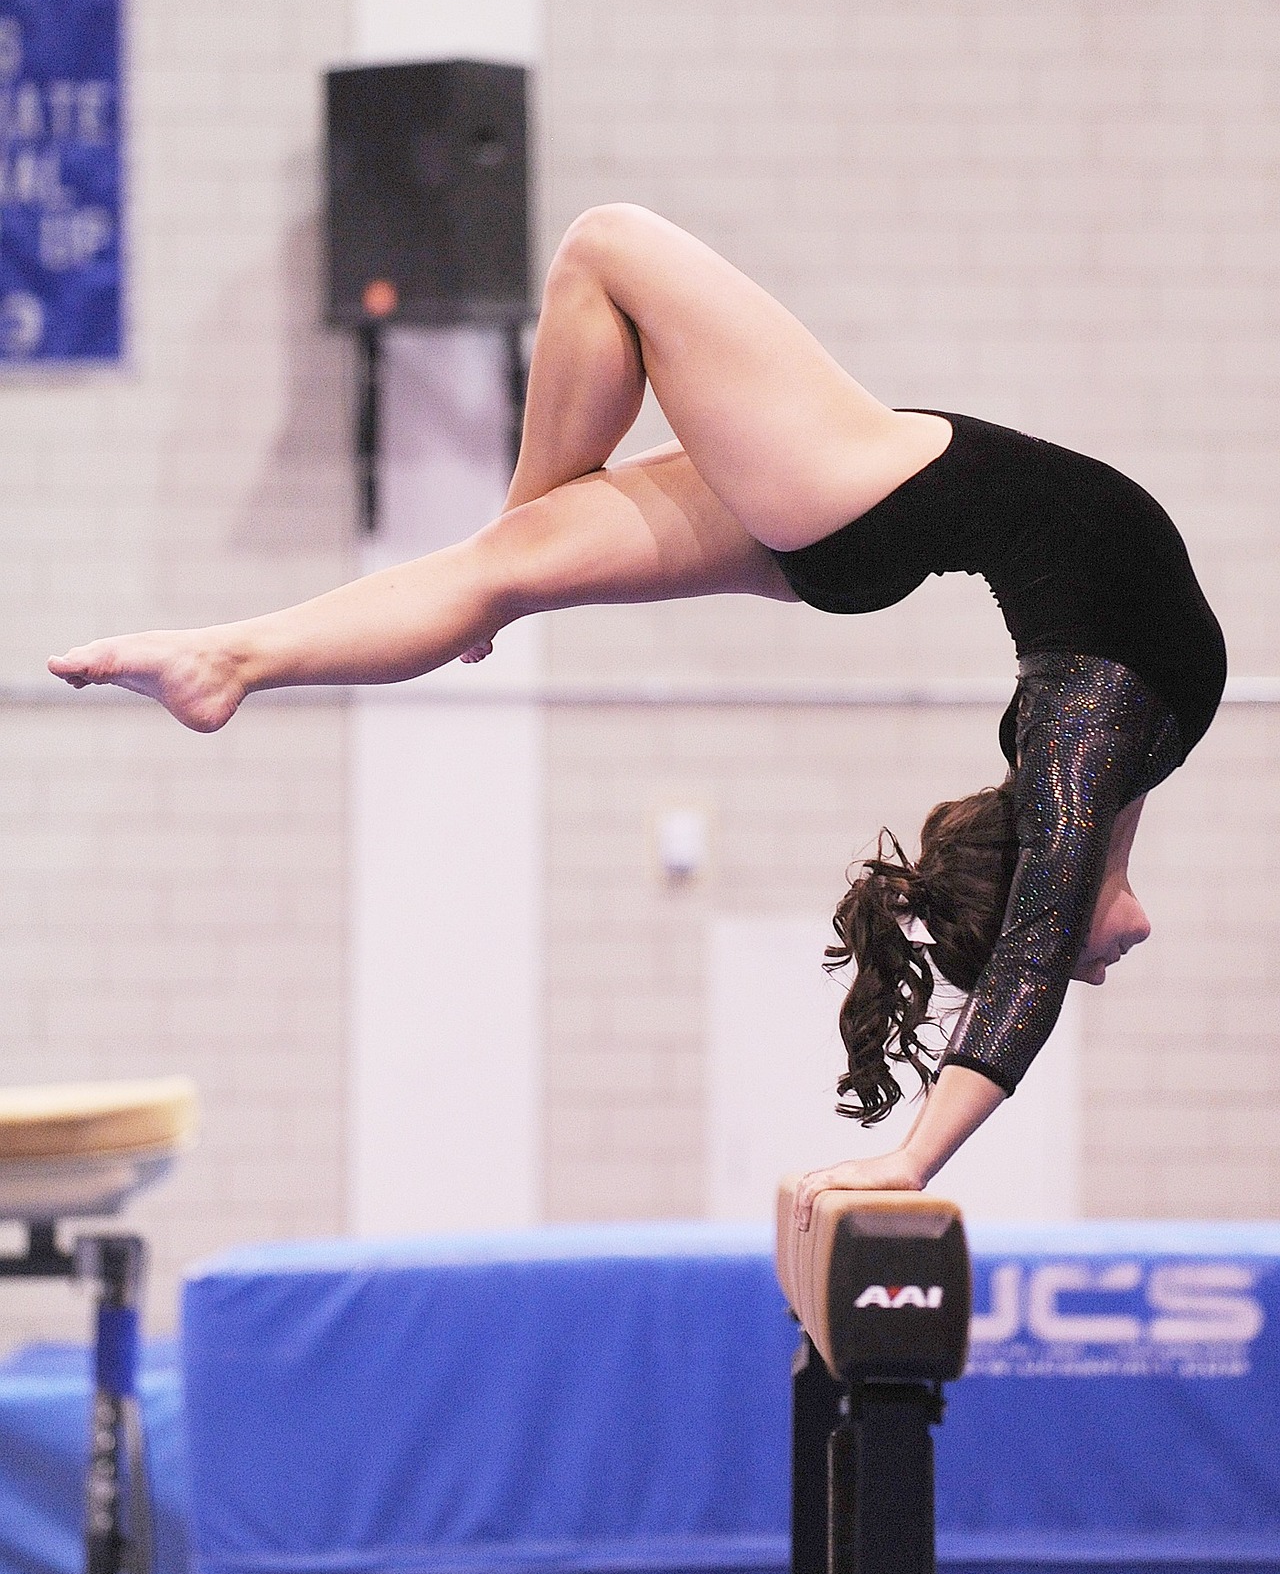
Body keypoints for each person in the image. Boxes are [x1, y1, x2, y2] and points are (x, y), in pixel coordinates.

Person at [48, 205, 1226, 1227]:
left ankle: (441, 572)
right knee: (503, 564)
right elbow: (1036, 930)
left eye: (1074, 959)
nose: (1102, 962)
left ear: (1043, 888)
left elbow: (1024, 957)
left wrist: (910, 1160)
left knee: (603, 247)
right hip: (860, 513)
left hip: (859, 490)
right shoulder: (1106, 757)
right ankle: (230, 659)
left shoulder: (1086, 745)